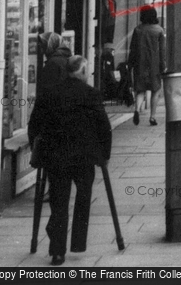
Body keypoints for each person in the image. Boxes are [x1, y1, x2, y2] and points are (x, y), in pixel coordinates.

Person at [28, 55, 112, 266]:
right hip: (84, 157)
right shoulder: (91, 94)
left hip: (56, 157)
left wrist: (36, 150)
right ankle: (77, 243)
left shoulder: (49, 94)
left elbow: (34, 125)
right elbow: (104, 127)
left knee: (59, 202)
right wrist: (105, 155)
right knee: (83, 198)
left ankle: (57, 252)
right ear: (83, 72)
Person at [128, 6, 166, 126]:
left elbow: (132, 49)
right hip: (154, 65)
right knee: (155, 90)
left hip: (140, 64)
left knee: (140, 90)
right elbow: (162, 51)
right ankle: (153, 116)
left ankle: (137, 109)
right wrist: (163, 65)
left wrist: (131, 64)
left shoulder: (137, 30)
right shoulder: (159, 30)